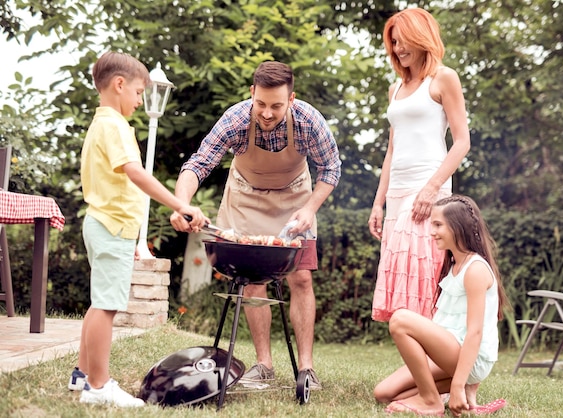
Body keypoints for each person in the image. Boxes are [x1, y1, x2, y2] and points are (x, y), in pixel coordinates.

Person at [170, 61, 341, 389]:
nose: (266, 113)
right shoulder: (236, 118)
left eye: (276, 105)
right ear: (252, 93)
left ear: (291, 99)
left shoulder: (308, 121)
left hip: (294, 200)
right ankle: (264, 364)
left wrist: (310, 208)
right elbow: (199, 162)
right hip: (245, 198)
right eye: (260, 103)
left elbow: (330, 168)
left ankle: (306, 368)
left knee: (301, 278)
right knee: (251, 281)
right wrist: (183, 204)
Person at [69, 51, 207, 407]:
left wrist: (131, 236)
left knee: (99, 302)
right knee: (107, 306)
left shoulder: (102, 123)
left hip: (107, 225)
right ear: (118, 85)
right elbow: (135, 173)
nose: (139, 99)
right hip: (109, 226)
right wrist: (181, 205)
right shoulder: (114, 125)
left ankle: (82, 376)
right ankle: (99, 387)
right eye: (138, 91)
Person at [368, 7, 471, 322]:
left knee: (422, 274)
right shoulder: (395, 89)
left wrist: (431, 189)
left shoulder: (443, 78)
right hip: (397, 192)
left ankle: (432, 359)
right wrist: (378, 203)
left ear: (422, 38)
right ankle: (417, 361)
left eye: (403, 41)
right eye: (394, 43)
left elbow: (462, 141)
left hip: (428, 186)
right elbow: (391, 151)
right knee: (402, 278)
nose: (398, 49)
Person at [374, 194, 508, 417]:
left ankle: (431, 402)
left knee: (400, 319)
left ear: (458, 227)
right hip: (450, 352)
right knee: (384, 393)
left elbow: (475, 333)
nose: (431, 231)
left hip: (470, 356)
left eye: (438, 225)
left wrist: (455, 387)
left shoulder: (475, 269)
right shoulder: (454, 263)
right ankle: (460, 394)